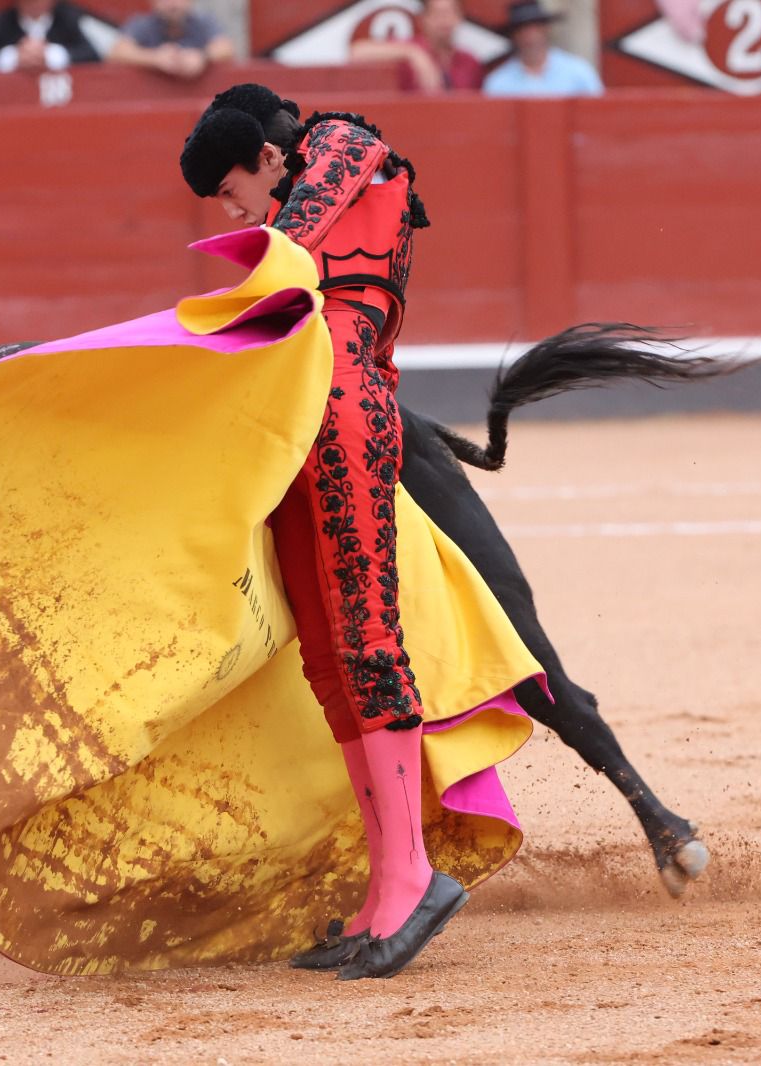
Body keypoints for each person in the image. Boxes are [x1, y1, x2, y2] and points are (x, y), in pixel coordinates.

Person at [179, 84, 471, 981]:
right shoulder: (294, 207)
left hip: (345, 401)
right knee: (327, 648)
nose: (238, 210)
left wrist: (263, 245)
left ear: (269, 155)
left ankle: (414, 874)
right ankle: (388, 887)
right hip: (300, 402)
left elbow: (300, 231)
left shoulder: (344, 146)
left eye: (235, 188)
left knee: (365, 634)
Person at [347, 0, 484, 94]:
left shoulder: (469, 61)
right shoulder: (410, 48)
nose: (444, 20)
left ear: (459, 17)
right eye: (437, 14)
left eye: (450, 13)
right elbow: (357, 52)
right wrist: (414, 54)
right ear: (424, 18)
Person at [482, 0, 603, 98]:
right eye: (523, 31)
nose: (530, 37)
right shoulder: (498, 83)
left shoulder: (578, 73)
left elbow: (598, 114)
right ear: (513, 36)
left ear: (546, 30)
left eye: (536, 29)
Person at [0, 0, 102, 73]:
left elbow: (92, 55)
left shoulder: (67, 20)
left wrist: (51, 55)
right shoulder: (1, 22)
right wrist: (14, 57)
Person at [109, 0, 235, 81]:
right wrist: (154, 58)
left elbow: (226, 48)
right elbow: (117, 52)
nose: (173, 4)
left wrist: (201, 56)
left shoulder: (203, 22)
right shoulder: (142, 24)